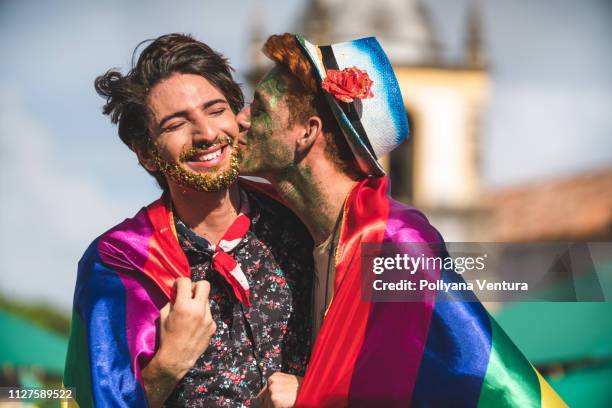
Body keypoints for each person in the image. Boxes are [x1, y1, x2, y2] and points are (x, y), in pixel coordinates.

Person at [236, 33, 567, 407]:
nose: (240, 119)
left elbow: (465, 383)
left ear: (308, 132)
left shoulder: (396, 240)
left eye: (259, 109)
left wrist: (310, 393)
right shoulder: (304, 237)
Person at [63, 33, 313, 408]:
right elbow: (90, 400)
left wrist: (312, 390)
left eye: (215, 111)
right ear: (147, 153)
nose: (208, 134)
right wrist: (167, 366)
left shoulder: (302, 223)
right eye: (177, 124)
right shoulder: (118, 261)